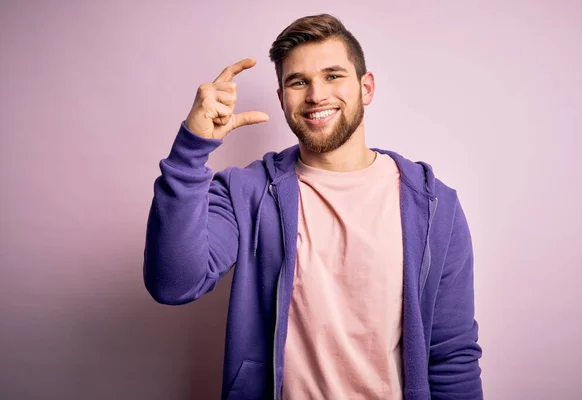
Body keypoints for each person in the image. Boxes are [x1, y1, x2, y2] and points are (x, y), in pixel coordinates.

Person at [143, 13, 483, 400]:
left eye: (333, 75)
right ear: (282, 98)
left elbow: (452, 352)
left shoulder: (434, 206)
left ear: (366, 87)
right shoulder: (247, 192)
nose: (316, 95)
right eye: (298, 81)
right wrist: (191, 150)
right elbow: (174, 283)